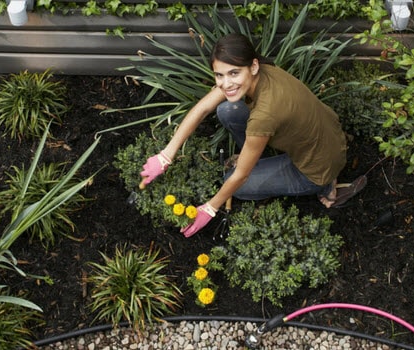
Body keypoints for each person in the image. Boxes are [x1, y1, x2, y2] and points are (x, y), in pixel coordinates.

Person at [139, 33, 366, 237]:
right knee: (227, 109)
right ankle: (259, 158)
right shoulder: (263, 73)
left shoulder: (265, 115)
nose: (226, 83)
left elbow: (241, 177)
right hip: (324, 133)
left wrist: (209, 208)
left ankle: (326, 185)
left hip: (316, 166)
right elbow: (202, 109)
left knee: (235, 183)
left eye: (233, 73)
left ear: (253, 66)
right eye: (219, 75)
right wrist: (165, 155)